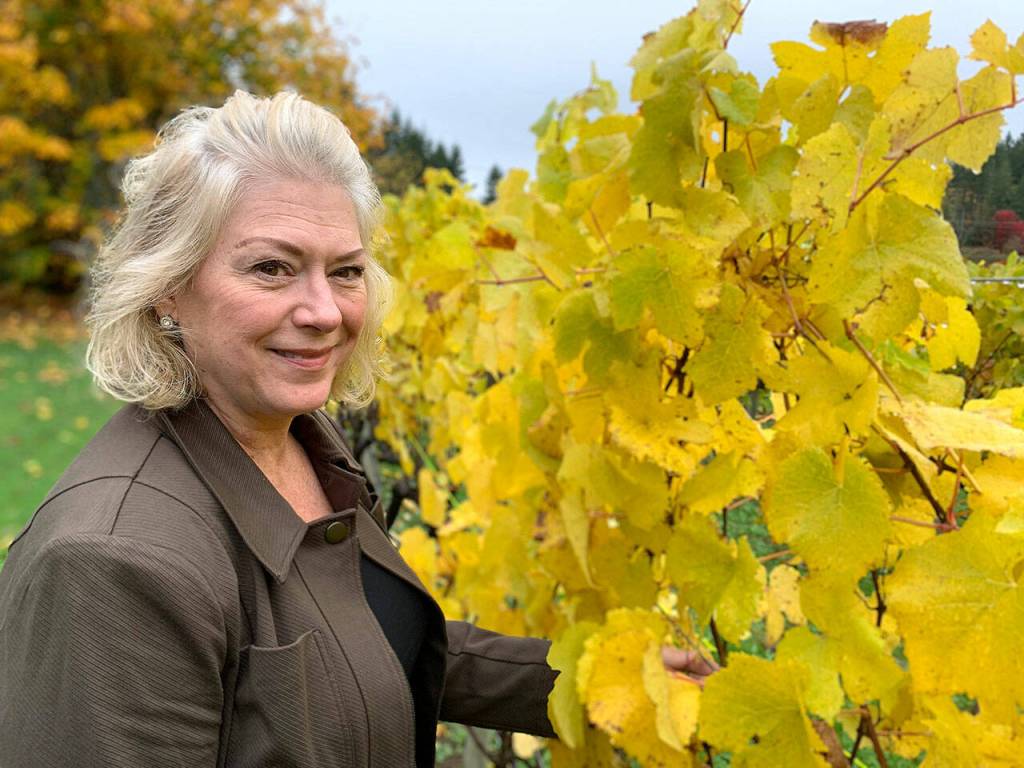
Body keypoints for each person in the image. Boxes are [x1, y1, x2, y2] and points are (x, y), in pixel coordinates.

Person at [0, 90, 714, 767]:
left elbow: (361, 639)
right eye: (273, 268)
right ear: (168, 288)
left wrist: (595, 682)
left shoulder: (301, 443)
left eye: (345, 272)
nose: (325, 311)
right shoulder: (115, 562)